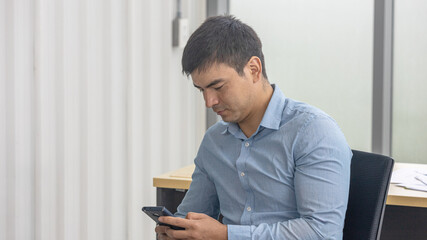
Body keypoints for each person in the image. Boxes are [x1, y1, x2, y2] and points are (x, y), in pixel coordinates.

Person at [155, 15, 352, 240]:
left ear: (254, 69)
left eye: (218, 87)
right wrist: (173, 232)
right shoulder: (215, 141)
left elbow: (322, 233)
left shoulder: (313, 131)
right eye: (201, 90)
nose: (209, 102)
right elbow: (190, 216)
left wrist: (227, 235)